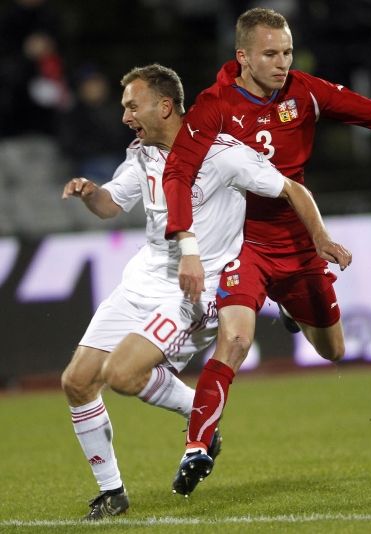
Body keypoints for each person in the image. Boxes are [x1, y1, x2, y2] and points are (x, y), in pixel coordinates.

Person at [162, 7, 371, 496]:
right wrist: (186, 244)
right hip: (240, 244)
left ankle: (289, 308)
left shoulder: (305, 93)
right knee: (233, 342)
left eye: (288, 52)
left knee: (332, 349)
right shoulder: (213, 107)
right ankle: (197, 446)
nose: (282, 63)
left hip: (298, 243)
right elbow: (177, 173)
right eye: (271, 54)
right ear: (242, 57)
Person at [60, 62, 351, 519]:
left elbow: (292, 189)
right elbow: (111, 205)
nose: (125, 117)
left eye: (131, 106)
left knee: (122, 375)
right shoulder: (142, 154)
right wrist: (89, 192)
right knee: (76, 383)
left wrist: (321, 240)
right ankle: (112, 491)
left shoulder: (223, 153)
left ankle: (202, 418)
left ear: (165, 105)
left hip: (192, 291)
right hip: (140, 280)